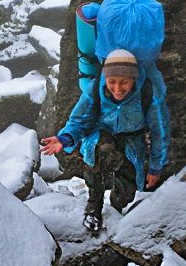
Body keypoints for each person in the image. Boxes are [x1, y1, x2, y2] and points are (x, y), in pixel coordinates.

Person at [40, 49, 170, 233]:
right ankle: (94, 206)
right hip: (101, 135)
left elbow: (160, 131)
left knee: (127, 189)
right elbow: (79, 120)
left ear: (134, 78)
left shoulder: (149, 92)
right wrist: (64, 138)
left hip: (132, 142)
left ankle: (116, 208)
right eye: (112, 82)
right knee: (99, 153)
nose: (117, 89)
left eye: (124, 82)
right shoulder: (95, 89)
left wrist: (156, 166)